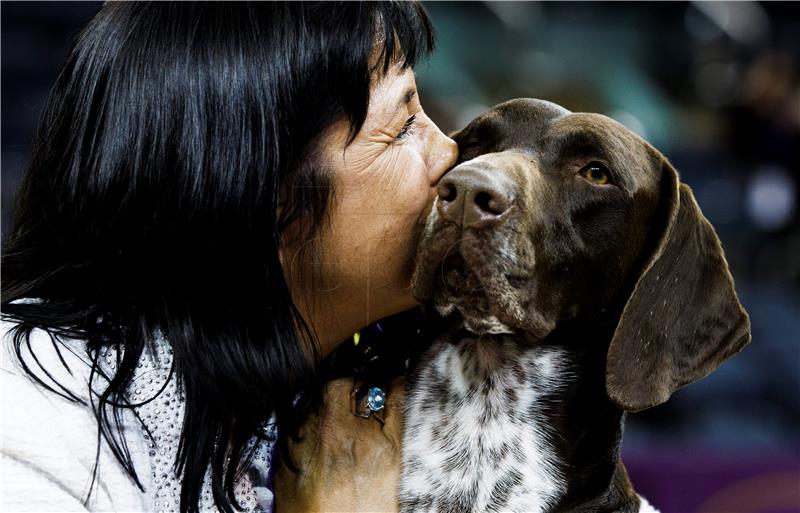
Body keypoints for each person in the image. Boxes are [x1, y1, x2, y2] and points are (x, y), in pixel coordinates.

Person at [0, 3, 457, 512]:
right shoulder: (28, 421)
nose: (449, 155)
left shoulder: (310, 391)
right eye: (402, 126)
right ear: (258, 194)